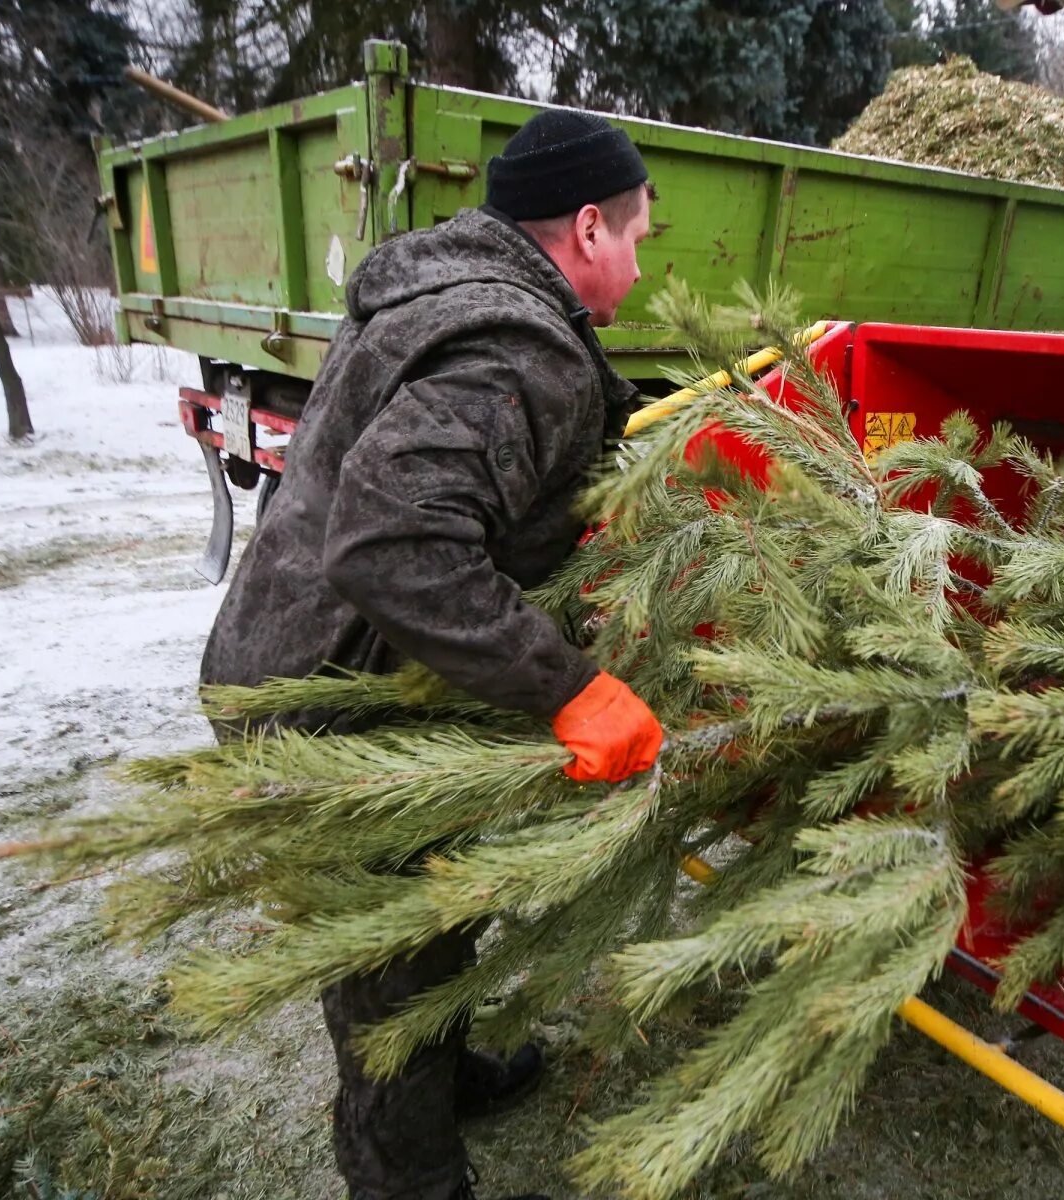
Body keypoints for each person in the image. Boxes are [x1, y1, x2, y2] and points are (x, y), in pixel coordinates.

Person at [199, 109, 666, 1200]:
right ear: (589, 227)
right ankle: (408, 1177)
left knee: (433, 905)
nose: (645, 266)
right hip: (326, 698)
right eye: (641, 236)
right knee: (388, 963)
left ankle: (446, 1079)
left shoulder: (458, 292)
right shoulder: (516, 343)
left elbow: (509, 426)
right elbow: (395, 541)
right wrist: (572, 690)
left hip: (316, 652)